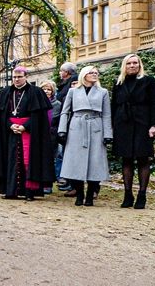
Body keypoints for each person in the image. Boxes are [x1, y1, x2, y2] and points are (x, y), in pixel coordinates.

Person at [0, 67, 55, 200]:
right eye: (14, 77)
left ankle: (29, 192)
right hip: (10, 132)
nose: (16, 79)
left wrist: (25, 126)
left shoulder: (36, 92)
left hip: (30, 133)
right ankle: (11, 191)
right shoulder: (5, 92)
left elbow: (39, 116)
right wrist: (10, 125)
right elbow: (1, 116)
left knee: (29, 161)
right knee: (10, 160)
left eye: (19, 77)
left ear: (26, 77)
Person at [111, 54, 155, 209]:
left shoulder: (149, 81)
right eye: (129, 63)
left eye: (135, 63)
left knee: (143, 158)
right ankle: (127, 195)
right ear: (124, 66)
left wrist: (154, 125)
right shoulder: (119, 82)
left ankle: (142, 195)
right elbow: (114, 105)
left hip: (142, 123)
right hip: (123, 124)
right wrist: (112, 125)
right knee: (126, 159)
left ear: (140, 65)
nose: (132, 65)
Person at [57, 65, 112, 206]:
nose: (95, 74)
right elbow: (65, 111)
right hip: (77, 127)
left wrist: (107, 133)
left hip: (96, 127)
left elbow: (106, 114)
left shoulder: (103, 92)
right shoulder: (73, 91)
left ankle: (90, 195)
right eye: (91, 72)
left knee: (95, 162)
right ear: (84, 75)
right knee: (75, 162)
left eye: (96, 72)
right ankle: (79, 194)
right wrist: (62, 130)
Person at [54, 62, 78, 192]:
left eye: (61, 71)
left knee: (66, 152)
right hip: (63, 119)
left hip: (70, 120)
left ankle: (71, 182)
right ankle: (68, 180)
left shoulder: (72, 82)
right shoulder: (64, 84)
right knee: (63, 152)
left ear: (67, 72)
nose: (59, 73)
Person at [39, 80, 61, 195]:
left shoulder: (57, 104)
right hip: (38, 135)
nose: (46, 91)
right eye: (44, 89)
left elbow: (58, 120)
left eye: (49, 89)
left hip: (51, 135)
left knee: (50, 160)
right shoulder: (36, 102)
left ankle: (48, 184)